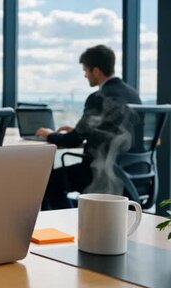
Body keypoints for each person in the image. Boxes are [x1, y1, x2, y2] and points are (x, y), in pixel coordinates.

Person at [36, 45, 141, 210]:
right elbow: (113, 132)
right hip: (132, 170)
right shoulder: (132, 94)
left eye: (86, 71)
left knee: (44, 182)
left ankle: (63, 223)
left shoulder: (98, 97)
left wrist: (49, 134)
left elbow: (72, 140)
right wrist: (85, 131)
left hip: (98, 171)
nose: (85, 75)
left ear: (96, 71)